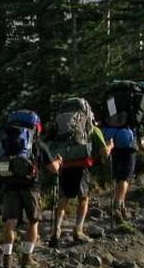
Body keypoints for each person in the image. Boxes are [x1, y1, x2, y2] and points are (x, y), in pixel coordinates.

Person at [0, 110, 61, 268]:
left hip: (10, 185)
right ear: (35, 126)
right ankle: (26, 258)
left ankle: (7, 259)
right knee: (33, 222)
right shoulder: (37, 143)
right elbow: (53, 169)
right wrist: (58, 162)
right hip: (31, 187)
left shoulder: (4, 142)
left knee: (10, 223)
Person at [48, 100, 113, 247]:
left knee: (63, 198)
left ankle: (56, 230)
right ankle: (78, 230)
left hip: (64, 164)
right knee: (83, 198)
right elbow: (105, 153)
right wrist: (110, 145)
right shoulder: (91, 127)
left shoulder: (61, 126)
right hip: (82, 166)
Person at [103, 116, 144, 222]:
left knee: (119, 176)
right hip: (127, 140)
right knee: (126, 176)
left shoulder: (112, 99)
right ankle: (117, 205)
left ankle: (122, 207)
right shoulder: (133, 104)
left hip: (111, 137)